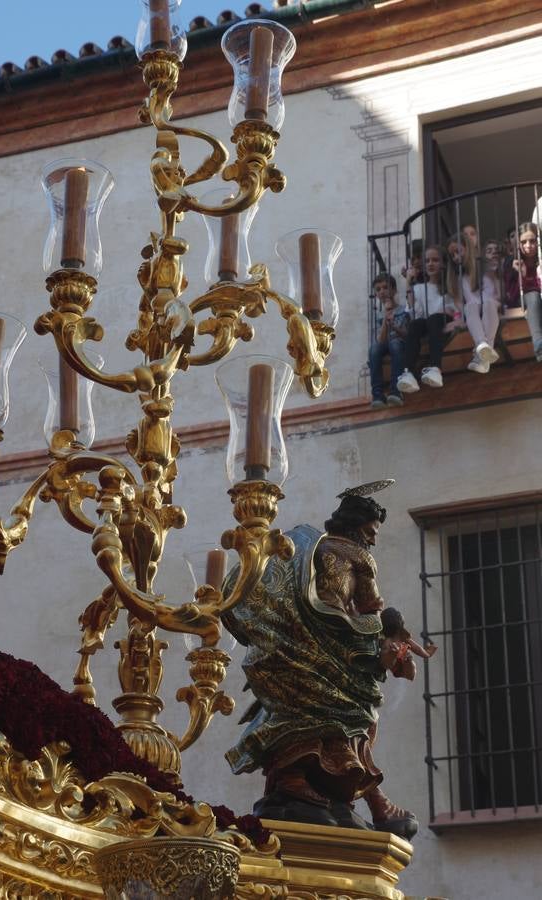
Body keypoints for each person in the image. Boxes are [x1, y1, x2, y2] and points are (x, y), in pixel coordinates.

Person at [222, 484, 419, 839]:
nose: (373, 540)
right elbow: (372, 606)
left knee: (309, 710)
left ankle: (318, 786)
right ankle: (317, 787)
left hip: (302, 639)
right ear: (359, 528)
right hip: (334, 641)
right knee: (355, 712)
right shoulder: (360, 557)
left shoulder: (311, 547)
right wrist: (392, 628)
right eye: (372, 533)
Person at [397, 244, 455, 393]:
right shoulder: (419, 288)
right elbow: (416, 314)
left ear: (443, 263)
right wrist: (409, 283)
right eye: (427, 260)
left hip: (444, 324)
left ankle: (435, 367)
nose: (430, 263)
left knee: (435, 318)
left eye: (435, 260)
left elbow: (455, 309)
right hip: (429, 325)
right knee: (416, 324)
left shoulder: (451, 286)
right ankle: (408, 372)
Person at [447, 232, 499, 374]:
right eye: (452, 255)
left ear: (468, 248)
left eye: (459, 251)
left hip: (489, 306)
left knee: (488, 303)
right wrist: (461, 316)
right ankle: (482, 345)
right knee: (470, 306)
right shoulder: (457, 277)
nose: (456, 257)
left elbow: (493, 292)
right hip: (472, 311)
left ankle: (481, 354)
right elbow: (458, 301)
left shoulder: (483, 267)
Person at [368, 275, 409, 409]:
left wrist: (395, 327)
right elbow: (380, 340)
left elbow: (407, 334)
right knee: (374, 349)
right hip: (386, 342)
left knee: (395, 344)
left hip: (399, 342)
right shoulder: (378, 315)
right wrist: (386, 320)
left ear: (394, 290)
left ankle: (396, 391)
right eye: (378, 289)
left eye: (385, 287)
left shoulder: (404, 310)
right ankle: (377, 395)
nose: (382, 292)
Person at [505, 222, 542, 360]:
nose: (528, 245)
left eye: (532, 241)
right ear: (518, 244)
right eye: (524, 241)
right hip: (522, 302)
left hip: (538, 300)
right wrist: (522, 275)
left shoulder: (540, 260)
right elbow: (512, 296)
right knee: (533, 295)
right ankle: (539, 344)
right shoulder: (512, 262)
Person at [380, 607, 437, 678]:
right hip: (395, 666)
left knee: (409, 664)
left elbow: (416, 648)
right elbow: (385, 662)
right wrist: (426, 654)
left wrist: (426, 654)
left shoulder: (401, 636)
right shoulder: (387, 641)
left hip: (403, 664)